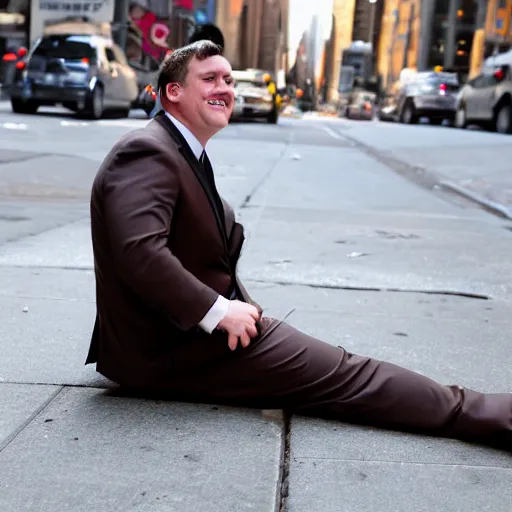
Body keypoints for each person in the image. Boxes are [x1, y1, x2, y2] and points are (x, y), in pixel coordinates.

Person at [87, 40, 511, 452]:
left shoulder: (181, 149)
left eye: (229, 80)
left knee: (344, 372)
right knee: (348, 376)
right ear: (173, 92)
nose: (225, 89)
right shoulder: (147, 150)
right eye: (210, 79)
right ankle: (488, 416)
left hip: (189, 336)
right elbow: (139, 253)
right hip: (176, 349)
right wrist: (220, 313)